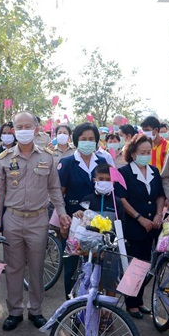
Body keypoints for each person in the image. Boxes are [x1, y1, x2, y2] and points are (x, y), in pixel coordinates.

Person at [0, 111, 70, 331]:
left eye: (28, 126)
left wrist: (62, 212)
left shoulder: (47, 156)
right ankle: (14, 311)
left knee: (36, 267)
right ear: (14, 130)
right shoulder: (4, 158)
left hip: (38, 219)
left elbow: (54, 188)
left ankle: (36, 310)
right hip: (13, 218)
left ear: (36, 129)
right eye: (19, 126)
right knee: (14, 267)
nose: (23, 130)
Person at [116, 134, 165, 319]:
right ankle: (131, 303)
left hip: (153, 225)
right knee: (133, 265)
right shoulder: (125, 172)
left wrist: (159, 214)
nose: (146, 155)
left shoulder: (154, 171)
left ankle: (140, 300)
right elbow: (122, 199)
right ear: (133, 153)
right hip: (134, 225)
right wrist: (139, 217)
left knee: (146, 264)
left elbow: (160, 195)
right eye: (142, 152)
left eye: (148, 152)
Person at [57, 122, 108, 297]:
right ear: (76, 141)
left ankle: (92, 308)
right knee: (71, 267)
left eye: (91, 139)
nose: (87, 142)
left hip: (99, 223)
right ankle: (70, 309)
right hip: (73, 223)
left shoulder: (102, 162)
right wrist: (63, 218)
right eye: (83, 139)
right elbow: (59, 194)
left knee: (96, 267)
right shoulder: (67, 163)